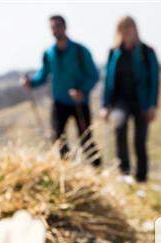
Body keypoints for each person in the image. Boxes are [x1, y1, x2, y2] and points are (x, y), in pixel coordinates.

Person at [22, 15, 101, 166]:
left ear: (65, 27)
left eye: (58, 26)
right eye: (53, 27)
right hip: (59, 103)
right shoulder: (49, 53)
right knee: (58, 138)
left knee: (86, 138)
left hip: (80, 102)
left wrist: (82, 91)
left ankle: (97, 169)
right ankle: (66, 170)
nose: (55, 30)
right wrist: (30, 83)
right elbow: (43, 75)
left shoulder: (80, 51)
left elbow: (93, 75)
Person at [101, 16, 160, 182]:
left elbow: (154, 80)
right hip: (120, 101)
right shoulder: (114, 52)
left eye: (129, 28)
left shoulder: (146, 52)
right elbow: (107, 80)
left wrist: (152, 105)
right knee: (120, 133)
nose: (127, 32)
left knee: (139, 140)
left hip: (142, 101)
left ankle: (141, 176)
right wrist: (105, 106)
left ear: (135, 29)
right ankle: (124, 172)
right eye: (123, 28)